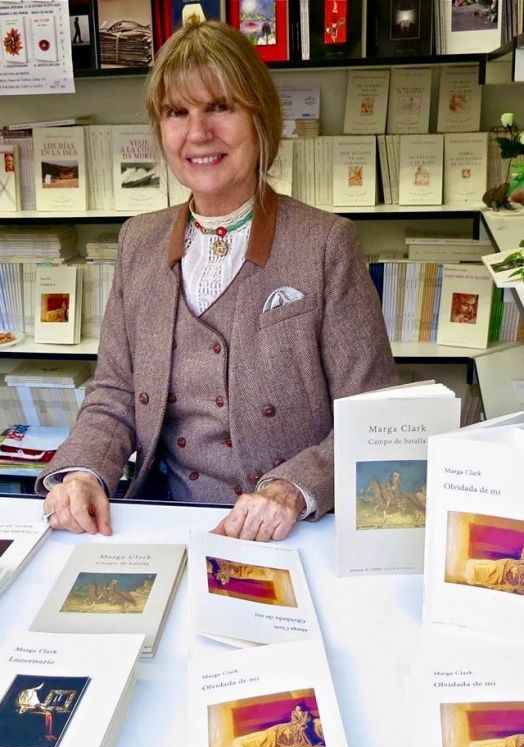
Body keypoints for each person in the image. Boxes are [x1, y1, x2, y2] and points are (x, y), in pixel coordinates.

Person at [37, 19, 397, 541]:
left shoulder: (326, 244)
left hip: (290, 530)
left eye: (220, 107)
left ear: (259, 117)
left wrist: (293, 489)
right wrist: (83, 472)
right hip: (165, 521)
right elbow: (114, 393)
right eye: (177, 112)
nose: (198, 133)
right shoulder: (138, 241)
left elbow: (375, 415)